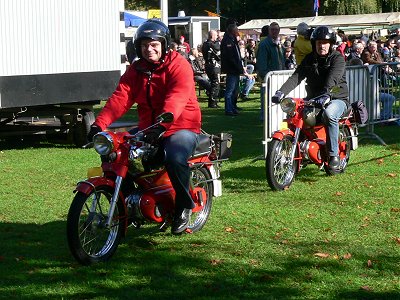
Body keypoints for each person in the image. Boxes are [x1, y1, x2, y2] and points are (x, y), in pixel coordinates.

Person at [87, 19, 201, 235]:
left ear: (164, 45)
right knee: (113, 152)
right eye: (144, 45)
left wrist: (161, 126)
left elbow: (176, 99)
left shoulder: (179, 66)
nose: (149, 49)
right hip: (148, 127)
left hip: (181, 126)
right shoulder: (136, 70)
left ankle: (184, 206)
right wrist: (98, 125)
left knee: (175, 156)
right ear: (138, 47)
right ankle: (126, 204)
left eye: (154, 44)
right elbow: (120, 98)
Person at [272, 26, 349, 171]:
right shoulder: (310, 58)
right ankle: (296, 151)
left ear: (331, 44)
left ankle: (333, 156)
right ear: (314, 44)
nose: (322, 45)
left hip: (337, 97)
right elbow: (296, 76)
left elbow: (333, 79)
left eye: (325, 42)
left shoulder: (337, 58)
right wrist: (280, 92)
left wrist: (326, 94)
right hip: (315, 99)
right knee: (296, 113)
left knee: (329, 114)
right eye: (319, 42)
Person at [256, 22, 285, 120]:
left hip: (279, 76)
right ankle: (265, 118)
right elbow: (262, 62)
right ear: (269, 31)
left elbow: (282, 60)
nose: (274, 32)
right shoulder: (264, 44)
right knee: (266, 98)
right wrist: (266, 75)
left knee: (276, 98)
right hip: (269, 76)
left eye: (276, 30)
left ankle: (273, 117)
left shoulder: (279, 44)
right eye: (272, 29)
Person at [220, 23, 247, 116]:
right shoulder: (228, 41)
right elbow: (230, 57)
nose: (238, 32)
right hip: (232, 69)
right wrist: (238, 67)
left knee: (235, 90)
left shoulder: (232, 39)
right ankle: (229, 109)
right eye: (236, 30)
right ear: (233, 31)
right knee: (230, 90)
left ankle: (232, 107)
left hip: (235, 68)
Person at [202, 30, 221, 108]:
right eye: (216, 35)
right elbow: (218, 51)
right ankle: (213, 102)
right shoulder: (211, 45)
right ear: (212, 36)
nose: (217, 37)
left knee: (213, 83)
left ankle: (213, 101)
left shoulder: (205, 44)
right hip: (213, 66)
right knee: (215, 83)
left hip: (208, 65)